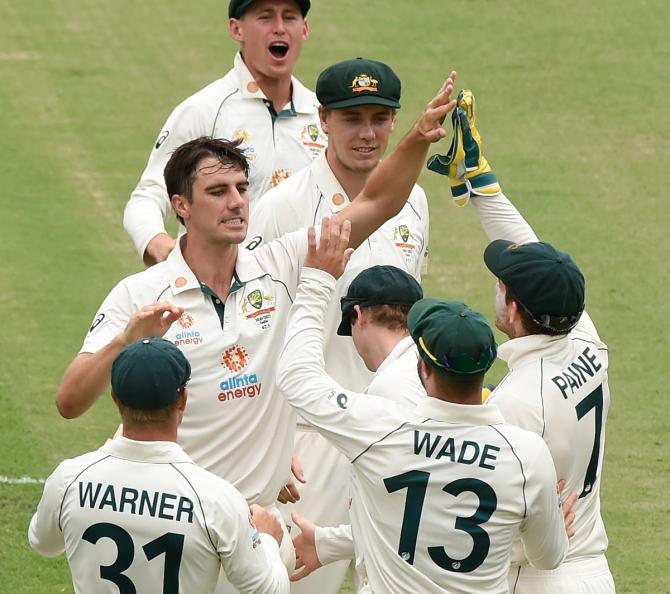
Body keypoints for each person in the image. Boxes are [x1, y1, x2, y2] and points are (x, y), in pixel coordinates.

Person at [55, 74, 458, 587]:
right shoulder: (139, 295)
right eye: (218, 192)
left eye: (242, 189)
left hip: (259, 523)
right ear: (180, 205)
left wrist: (417, 138)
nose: (237, 203)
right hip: (184, 522)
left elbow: (379, 202)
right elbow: (70, 400)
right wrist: (123, 343)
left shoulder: (281, 262)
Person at [276, 220, 576, 592]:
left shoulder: (379, 429)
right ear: (485, 369)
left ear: (422, 366)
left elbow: (295, 376)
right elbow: (548, 557)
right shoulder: (527, 456)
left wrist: (317, 280)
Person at [247, 57, 430, 593]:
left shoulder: (414, 201)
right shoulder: (283, 206)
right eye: (352, 118)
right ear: (323, 119)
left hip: (394, 427)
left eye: (379, 117)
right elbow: (253, 326)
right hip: (313, 437)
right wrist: (272, 444)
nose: (368, 133)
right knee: (303, 581)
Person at [430, 90, 615, 592]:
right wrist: (482, 183)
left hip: (536, 577)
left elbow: (479, 509)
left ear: (512, 309)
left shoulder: (516, 402)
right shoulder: (584, 339)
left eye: (502, 286)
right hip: (594, 571)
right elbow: (534, 251)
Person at [30, 338, 289, 594]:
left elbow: (43, 544)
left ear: (115, 399)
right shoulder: (216, 499)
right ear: (183, 400)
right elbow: (270, 590)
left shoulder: (70, 479)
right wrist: (266, 538)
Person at [124, 0, 326, 265]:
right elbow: (150, 195)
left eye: (289, 17)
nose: (279, 28)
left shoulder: (322, 116)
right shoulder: (204, 110)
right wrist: (157, 243)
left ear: (305, 29)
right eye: (265, 17)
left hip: (305, 289)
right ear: (236, 29)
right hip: (222, 291)